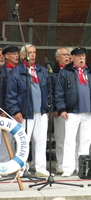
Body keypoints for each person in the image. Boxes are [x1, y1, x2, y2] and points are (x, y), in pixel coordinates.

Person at [55, 47, 91, 177]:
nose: (81, 58)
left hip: (88, 112)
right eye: (78, 56)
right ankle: (68, 167)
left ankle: (82, 167)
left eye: (83, 55)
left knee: (85, 140)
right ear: (72, 58)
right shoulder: (65, 72)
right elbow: (59, 92)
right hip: (72, 112)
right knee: (69, 140)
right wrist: (62, 109)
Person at [6, 44, 50, 177]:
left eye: (34, 52)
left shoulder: (41, 70)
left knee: (41, 140)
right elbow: (11, 94)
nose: (32, 55)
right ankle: (21, 167)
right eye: (29, 52)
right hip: (25, 112)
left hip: (40, 112)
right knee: (23, 141)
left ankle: (40, 168)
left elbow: (48, 91)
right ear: (23, 55)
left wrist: (47, 108)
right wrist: (15, 111)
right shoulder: (16, 72)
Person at [52, 47, 71, 174]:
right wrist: (55, 108)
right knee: (61, 138)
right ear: (57, 57)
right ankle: (60, 164)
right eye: (64, 55)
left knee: (73, 139)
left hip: (74, 109)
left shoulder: (74, 70)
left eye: (69, 55)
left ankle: (73, 163)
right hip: (60, 110)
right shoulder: (53, 72)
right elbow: (52, 92)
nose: (67, 57)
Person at [0, 46, 19, 164]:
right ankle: (3, 164)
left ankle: (14, 163)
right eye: (13, 54)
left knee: (15, 139)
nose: (16, 56)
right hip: (4, 110)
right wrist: (3, 110)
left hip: (15, 110)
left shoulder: (20, 71)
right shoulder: (2, 72)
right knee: (4, 140)